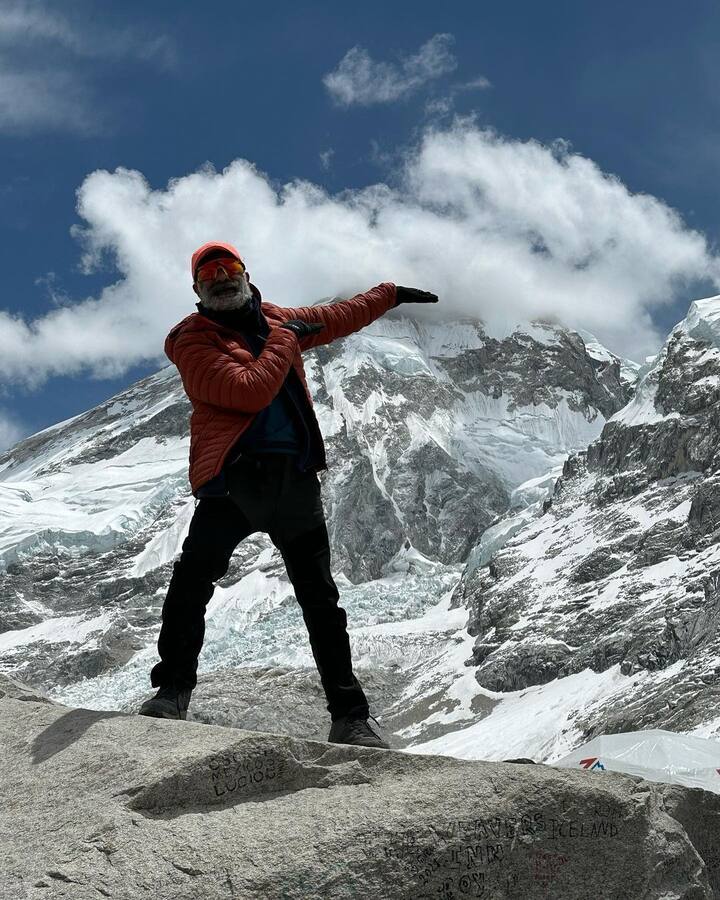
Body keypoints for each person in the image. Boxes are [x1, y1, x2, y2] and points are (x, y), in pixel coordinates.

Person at [138, 241, 438, 748]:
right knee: (191, 585)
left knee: (321, 601)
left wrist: (387, 295)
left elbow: (336, 315)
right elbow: (248, 390)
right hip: (233, 481)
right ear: (196, 291)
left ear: (246, 273)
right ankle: (171, 691)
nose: (220, 277)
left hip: (293, 482)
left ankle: (350, 717)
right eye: (208, 273)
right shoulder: (191, 342)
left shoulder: (278, 319)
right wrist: (283, 340)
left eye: (228, 267)